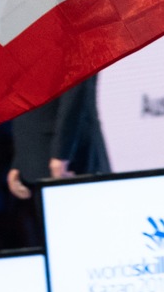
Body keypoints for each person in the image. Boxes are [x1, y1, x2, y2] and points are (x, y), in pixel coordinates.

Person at [6, 75, 110, 243]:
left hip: (70, 161)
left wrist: (62, 154)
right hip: (39, 159)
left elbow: (77, 91)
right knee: (58, 247)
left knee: (89, 241)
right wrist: (19, 160)